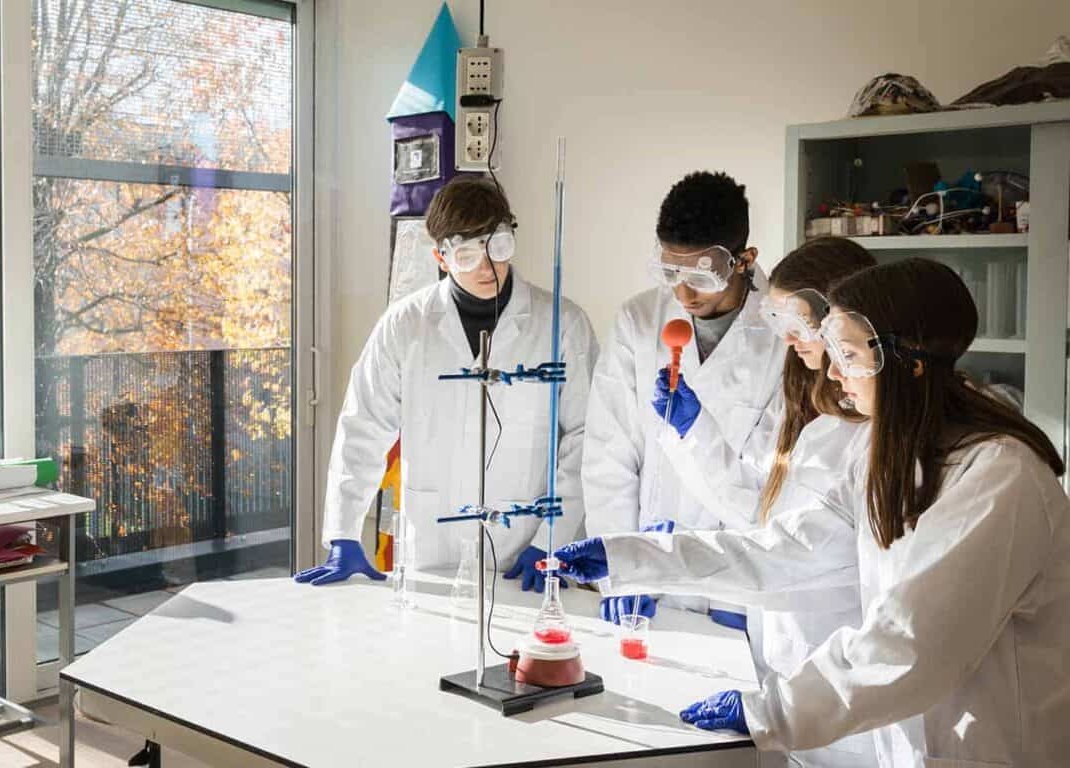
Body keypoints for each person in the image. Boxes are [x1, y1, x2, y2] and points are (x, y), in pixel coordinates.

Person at [556, 258, 1070, 767]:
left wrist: (773, 710)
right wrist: (628, 556)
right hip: (910, 745)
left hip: (995, 749)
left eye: (846, 353)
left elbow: (912, 646)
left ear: (909, 360)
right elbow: (784, 551)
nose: (832, 369)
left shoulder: (999, 475)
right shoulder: (882, 451)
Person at [642, 236, 879, 768]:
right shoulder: (805, 398)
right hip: (787, 664)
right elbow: (760, 506)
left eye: (796, 324)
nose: (788, 339)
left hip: (844, 685)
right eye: (779, 322)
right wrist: (693, 429)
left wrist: (651, 558)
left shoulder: (874, 433)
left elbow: (787, 552)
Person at [296, 176, 599, 587]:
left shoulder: (564, 325)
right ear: (441, 257)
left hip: (526, 551)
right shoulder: (405, 325)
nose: (488, 267)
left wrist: (552, 538)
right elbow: (363, 427)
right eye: (467, 255)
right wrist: (343, 533)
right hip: (434, 549)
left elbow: (585, 438)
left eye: (499, 246)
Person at [582, 171, 784, 625]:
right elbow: (608, 456)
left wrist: (741, 594)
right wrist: (623, 565)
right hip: (646, 587)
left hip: (735, 591)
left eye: (700, 275)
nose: (683, 292)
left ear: (744, 260)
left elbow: (771, 485)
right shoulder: (639, 320)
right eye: (672, 271)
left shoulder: (784, 336)